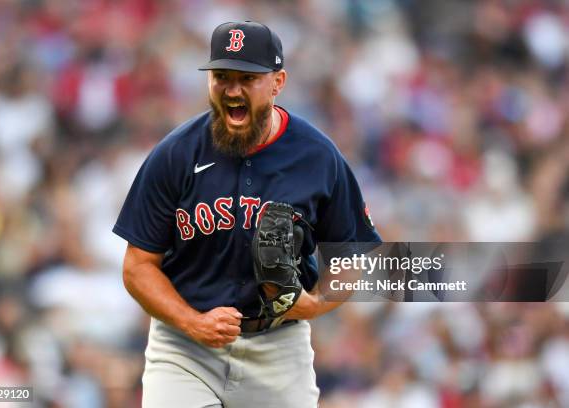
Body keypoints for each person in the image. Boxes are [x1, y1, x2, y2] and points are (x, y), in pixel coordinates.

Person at [113, 20, 381, 408]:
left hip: (278, 349)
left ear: (277, 82)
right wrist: (193, 322)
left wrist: (316, 301)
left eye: (247, 78)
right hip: (186, 349)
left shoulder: (317, 157)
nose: (232, 90)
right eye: (221, 76)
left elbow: (351, 258)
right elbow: (137, 267)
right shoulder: (175, 154)